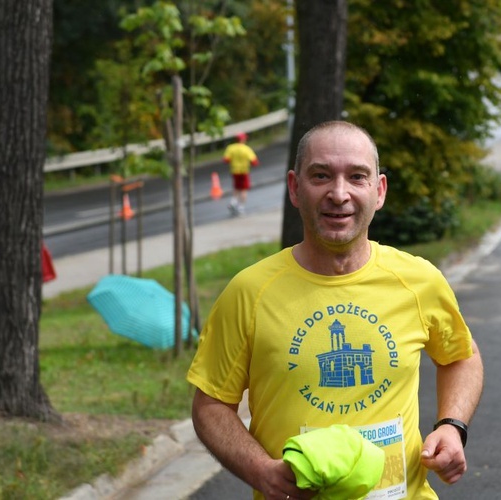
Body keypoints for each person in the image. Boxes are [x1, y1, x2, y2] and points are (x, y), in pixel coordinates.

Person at [187, 121, 484, 500]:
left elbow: (462, 355)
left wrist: (452, 425)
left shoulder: (418, 280)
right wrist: (261, 471)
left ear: (379, 191)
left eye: (357, 177)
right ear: (295, 188)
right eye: (321, 175)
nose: (338, 194)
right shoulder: (250, 292)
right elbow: (211, 404)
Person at [223, 132, 259, 216]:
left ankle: (233, 202)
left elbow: (226, 159)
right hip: (244, 171)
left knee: (236, 187)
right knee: (243, 189)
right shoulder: (246, 149)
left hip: (234, 171)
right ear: (243, 139)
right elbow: (254, 162)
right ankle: (241, 207)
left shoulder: (231, 148)